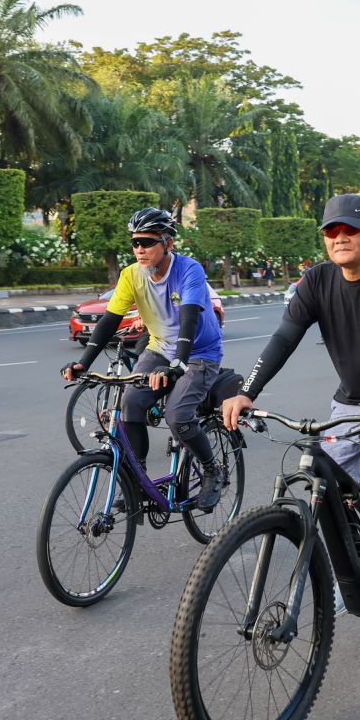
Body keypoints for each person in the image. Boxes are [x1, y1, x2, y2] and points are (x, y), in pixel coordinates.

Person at [222, 193, 360, 595]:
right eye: (331, 231)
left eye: (350, 229)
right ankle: (351, 563)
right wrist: (246, 392)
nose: (340, 237)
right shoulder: (316, 281)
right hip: (352, 400)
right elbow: (284, 338)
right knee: (328, 485)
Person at [62, 207, 225, 510]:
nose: (140, 249)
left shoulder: (190, 270)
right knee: (130, 404)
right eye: (135, 243)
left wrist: (177, 364)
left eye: (148, 242)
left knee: (178, 416)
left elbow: (188, 319)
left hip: (200, 354)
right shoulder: (131, 276)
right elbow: (110, 320)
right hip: (159, 348)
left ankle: (213, 471)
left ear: (168, 243)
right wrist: (84, 362)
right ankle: (139, 481)